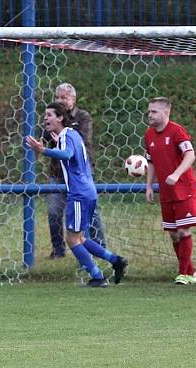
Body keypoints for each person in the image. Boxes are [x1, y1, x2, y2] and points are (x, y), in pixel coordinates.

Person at [26, 103, 127, 287]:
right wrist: (56, 145)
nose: (45, 118)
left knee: (72, 239)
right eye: (45, 115)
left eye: (49, 115)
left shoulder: (66, 136)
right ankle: (115, 261)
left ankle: (97, 277)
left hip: (79, 193)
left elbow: (67, 154)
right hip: (88, 190)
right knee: (80, 238)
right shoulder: (72, 134)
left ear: (60, 118)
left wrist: (43, 150)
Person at [43, 83, 106, 258]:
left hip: (79, 174)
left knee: (91, 213)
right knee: (54, 213)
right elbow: (46, 135)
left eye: (64, 97)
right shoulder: (52, 116)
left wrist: (62, 123)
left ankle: (99, 246)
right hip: (57, 173)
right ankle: (58, 250)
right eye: (57, 97)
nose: (60, 101)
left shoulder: (82, 116)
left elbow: (82, 139)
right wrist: (55, 122)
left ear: (73, 99)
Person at [143, 97, 196, 285]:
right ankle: (191, 273)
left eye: (154, 111)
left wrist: (176, 174)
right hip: (166, 192)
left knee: (184, 230)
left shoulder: (177, 131)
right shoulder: (149, 135)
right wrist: (149, 186)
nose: (149, 115)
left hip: (184, 188)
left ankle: (183, 274)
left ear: (166, 113)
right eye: (149, 111)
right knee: (174, 233)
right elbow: (150, 162)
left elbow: (190, 154)